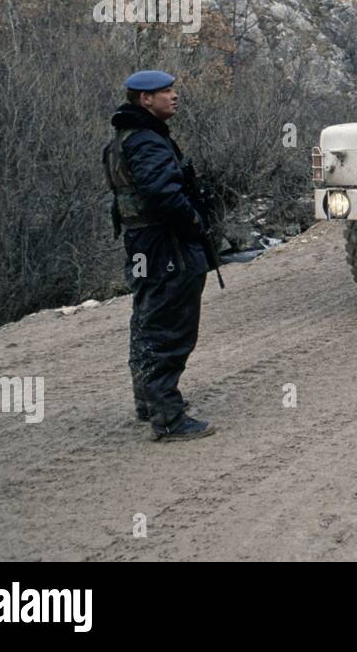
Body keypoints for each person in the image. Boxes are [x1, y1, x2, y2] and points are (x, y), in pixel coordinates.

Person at [102, 70, 215, 442]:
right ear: (144, 100)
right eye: (165, 91)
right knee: (170, 325)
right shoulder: (147, 141)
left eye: (172, 89)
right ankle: (168, 417)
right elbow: (163, 195)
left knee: (147, 320)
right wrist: (195, 223)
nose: (174, 96)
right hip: (166, 245)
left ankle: (148, 402)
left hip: (143, 243)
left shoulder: (126, 138)